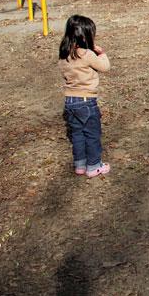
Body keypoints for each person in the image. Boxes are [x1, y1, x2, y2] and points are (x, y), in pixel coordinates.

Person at [59, 15, 111, 178]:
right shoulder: (87, 54)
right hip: (86, 101)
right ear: (85, 36)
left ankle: (80, 164)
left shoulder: (64, 55)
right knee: (92, 134)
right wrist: (101, 53)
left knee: (77, 134)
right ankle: (94, 166)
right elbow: (105, 67)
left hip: (70, 102)